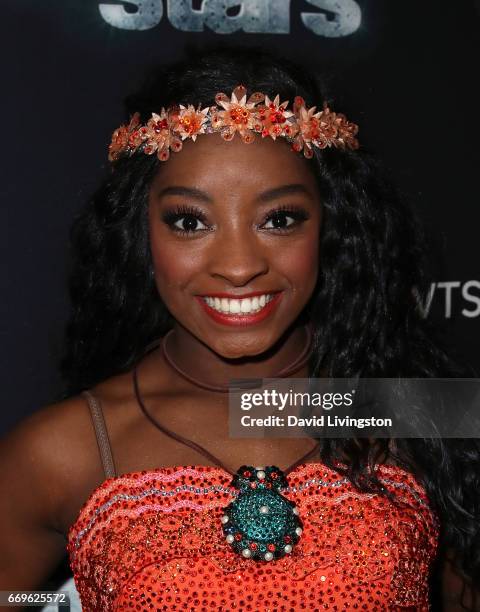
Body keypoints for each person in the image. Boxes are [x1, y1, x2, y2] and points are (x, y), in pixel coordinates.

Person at [0, 46, 479, 611]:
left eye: (280, 219)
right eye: (189, 221)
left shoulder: (404, 411)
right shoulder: (64, 449)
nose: (237, 265)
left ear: (332, 227)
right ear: (140, 231)